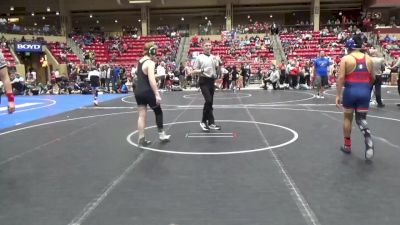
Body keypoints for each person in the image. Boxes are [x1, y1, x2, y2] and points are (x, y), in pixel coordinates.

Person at [335, 36, 375, 160]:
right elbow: (373, 78)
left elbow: (341, 78)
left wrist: (338, 94)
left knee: (348, 117)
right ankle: (367, 137)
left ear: (349, 47)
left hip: (351, 91)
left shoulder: (346, 59)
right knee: (361, 118)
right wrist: (366, 89)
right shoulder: (368, 59)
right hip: (364, 91)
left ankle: (347, 146)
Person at [134, 42, 170, 146]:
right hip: (147, 91)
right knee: (158, 111)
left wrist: (157, 76)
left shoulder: (140, 61)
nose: (156, 52)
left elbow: (143, 75)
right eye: (155, 50)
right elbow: (151, 80)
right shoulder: (150, 62)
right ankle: (162, 134)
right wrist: (157, 94)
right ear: (152, 51)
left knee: (141, 115)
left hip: (138, 91)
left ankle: (141, 138)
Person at [191, 40, 221, 132]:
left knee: (210, 103)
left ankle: (211, 123)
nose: (208, 47)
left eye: (209, 45)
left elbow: (217, 70)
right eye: (206, 45)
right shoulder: (199, 58)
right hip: (203, 81)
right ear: (202, 47)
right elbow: (193, 71)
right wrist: (203, 70)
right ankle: (203, 121)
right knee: (208, 100)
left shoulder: (213, 57)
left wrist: (219, 63)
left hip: (211, 81)